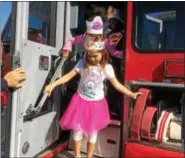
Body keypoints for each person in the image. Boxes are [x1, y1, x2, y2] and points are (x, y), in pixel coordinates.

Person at [44, 38, 141, 157]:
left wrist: (131, 94)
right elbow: (68, 76)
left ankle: (89, 156)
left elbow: (117, 85)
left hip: (96, 104)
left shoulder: (107, 68)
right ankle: (77, 155)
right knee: (77, 130)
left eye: (95, 56)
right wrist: (53, 84)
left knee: (93, 132)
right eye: (90, 56)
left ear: (103, 54)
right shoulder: (82, 64)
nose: (92, 59)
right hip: (80, 101)